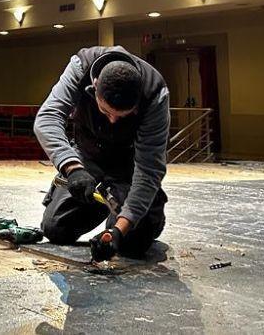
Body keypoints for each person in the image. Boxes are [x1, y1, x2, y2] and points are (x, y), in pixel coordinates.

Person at [34, 46, 170, 262]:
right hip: (88, 160)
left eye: (123, 116)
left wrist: (119, 230)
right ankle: (103, 202)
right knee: (56, 230)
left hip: (129, 169)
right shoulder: (80, 67)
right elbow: (47, 119)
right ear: (94, 87)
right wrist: (73, 168)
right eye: (106, 112)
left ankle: (146, 212)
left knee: (130, 243)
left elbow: (149, 169)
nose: (113, 121)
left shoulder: (155, 93)